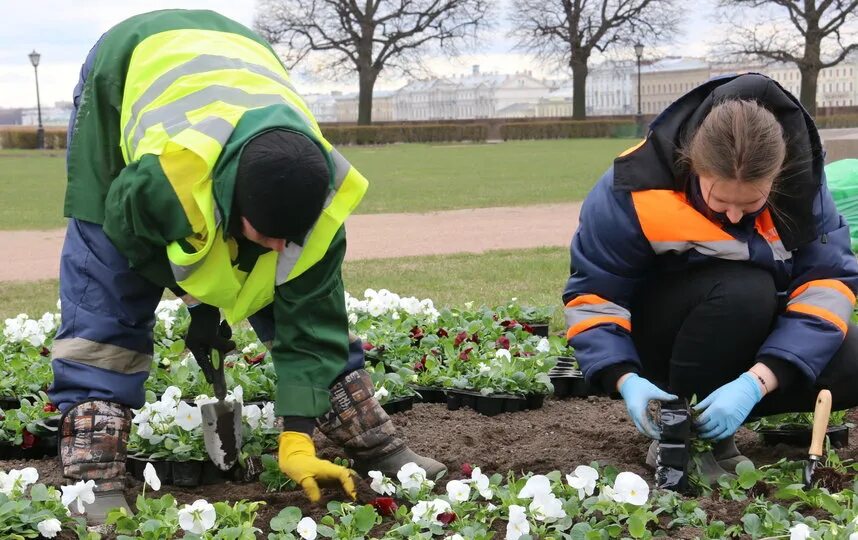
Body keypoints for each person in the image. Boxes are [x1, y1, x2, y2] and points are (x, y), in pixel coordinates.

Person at [48, 9, 444, 522]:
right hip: (124, 69)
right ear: (231, 204)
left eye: (291, 237)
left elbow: (313, 317)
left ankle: (374, 442)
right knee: (106, 289)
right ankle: (93, 471)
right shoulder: (161, 182)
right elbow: (132, 242)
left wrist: (298, 433)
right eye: (268, 235)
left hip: (243, 55)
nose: (282, 248)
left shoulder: (319, 199)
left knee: (303, 289)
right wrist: (197, 302)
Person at [563, 72, 858, 479]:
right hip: (666, 340)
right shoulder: (633, 188)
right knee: (744, 289)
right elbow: (594, 295)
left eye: (753, 201)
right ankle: (680, 435)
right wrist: (624, 377)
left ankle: (721, 420)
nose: (735, 215)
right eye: (720, 199)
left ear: (778, 176)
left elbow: (827, 286)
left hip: (746, 333)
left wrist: (757, 382)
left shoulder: (803, 190)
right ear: (692, 164)